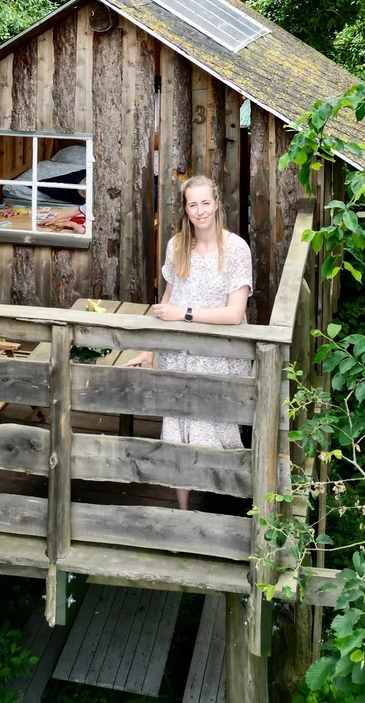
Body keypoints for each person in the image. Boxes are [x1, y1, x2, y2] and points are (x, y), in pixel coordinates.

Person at [124, 175, 253, 510]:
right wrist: (150, 350)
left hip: (219, 357)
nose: (200, 211)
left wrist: (185, 314)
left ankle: (227, 508)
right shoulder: (177, 246)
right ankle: (182, 512)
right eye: (193, 204)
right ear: (185, 208)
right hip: (178, 354)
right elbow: (168, 302)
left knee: (213, 434)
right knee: (177, 430)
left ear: (217, 203)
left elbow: (234, 313)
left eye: (205, 202)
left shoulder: (236, 249)